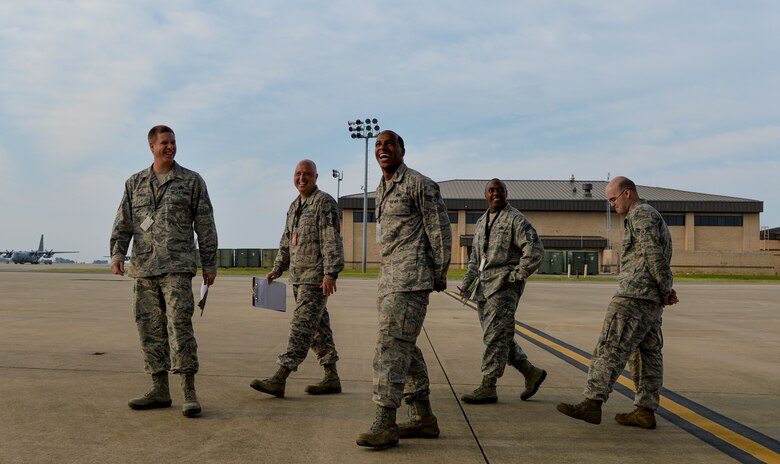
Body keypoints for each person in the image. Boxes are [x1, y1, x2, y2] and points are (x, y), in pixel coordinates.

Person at [110, 125, 218, 418]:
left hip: (177, 268)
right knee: (149, 329)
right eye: (164, 143)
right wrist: (117, 253)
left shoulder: (192, 181)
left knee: (179, 327)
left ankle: (188, 391)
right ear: (152, 147)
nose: (170, 147)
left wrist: (209, 263)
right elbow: (124, 222)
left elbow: (205, 225)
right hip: (144, 268)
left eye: (173, 142)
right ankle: (159, 388)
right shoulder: (135, 183)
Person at [557, 176, 678, 429]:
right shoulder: (650, 214)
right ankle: (645, 410)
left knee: (610, 346)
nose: (612, 205)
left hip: (634, 295)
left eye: (613, 199)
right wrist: (664, 290)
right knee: (647, 355)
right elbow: (656, 255)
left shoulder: (640, 213)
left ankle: (593, 402)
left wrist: (666, 288)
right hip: (650, 299)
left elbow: (652, 252)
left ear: (627, 193)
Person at [356, 130, 452, 449]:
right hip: (389, 278)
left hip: (411, 278)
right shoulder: (381, 188)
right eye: (378, 145)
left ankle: (385, 421)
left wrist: (439, 272)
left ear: (402, 150)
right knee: (405, 347)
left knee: (390, 346)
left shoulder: (419, 184)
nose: (383, 149)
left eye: (389, 144)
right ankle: (423, 417)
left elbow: (440, 231)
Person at [250, 160, 345, 398]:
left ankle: (280, 377)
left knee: (301, 327)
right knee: (318, 329)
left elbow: (331, 238)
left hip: (315, 278)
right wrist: (277, 268)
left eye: (307, 174)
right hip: (298, 277)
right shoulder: (295, 206)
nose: (302, 178)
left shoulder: (323, 202)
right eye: (298, 174)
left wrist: (330, 273)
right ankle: (332, 377)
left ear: (316, 177)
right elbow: (286, 240)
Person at [459, 179, 547, 405]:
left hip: (503, 287)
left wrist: (516, 275)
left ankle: (489, 385)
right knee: (497, 334)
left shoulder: (516, 219)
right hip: (483, 288)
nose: (496, 193)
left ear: (507, 193)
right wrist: (468, 284)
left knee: (495, 335)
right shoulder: (481, 222)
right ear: (485, 195)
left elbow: (535, 250)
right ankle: (530, 372)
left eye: (500, 190)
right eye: (492, 190)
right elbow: (475, 259)